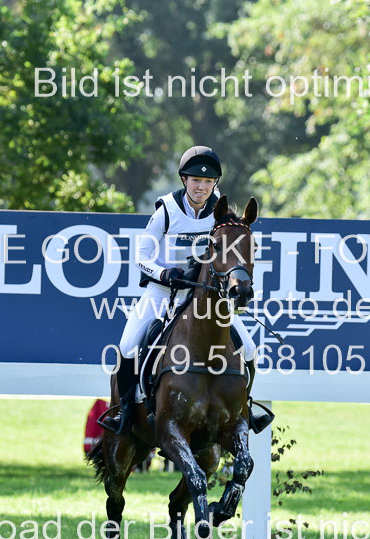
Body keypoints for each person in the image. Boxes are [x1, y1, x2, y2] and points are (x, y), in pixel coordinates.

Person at [100, 145, 265, 435]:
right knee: (127, 347)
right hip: (162, 293)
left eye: (207, 182)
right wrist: (163, 273)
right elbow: (141, 255)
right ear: (184, 180)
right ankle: (122, 410)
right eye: (195, 180)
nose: (201, 187)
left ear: (215, 184)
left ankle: (244, 407)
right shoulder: (167, 209)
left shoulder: (221, 213)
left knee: (249, 347)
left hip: (204, 297)